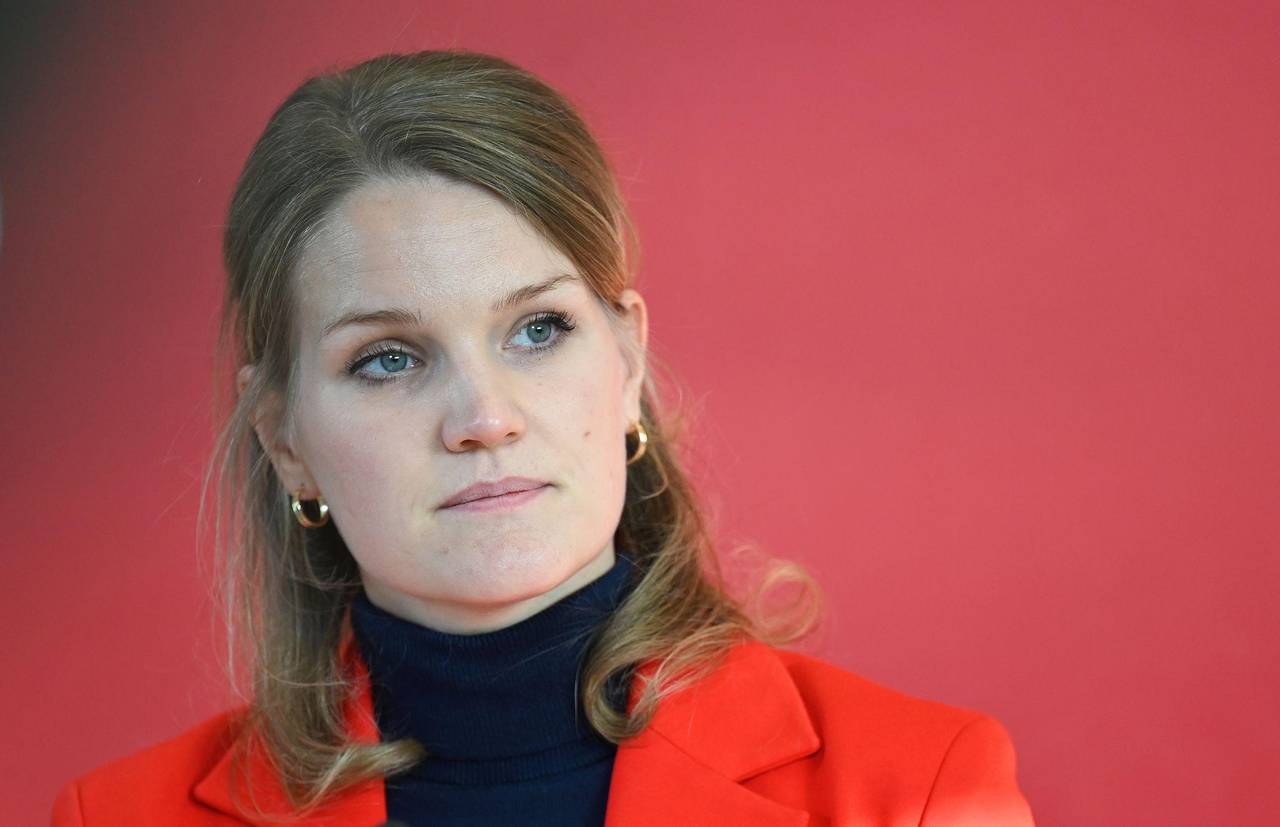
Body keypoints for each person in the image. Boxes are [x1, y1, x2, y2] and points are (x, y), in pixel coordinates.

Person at [50, 50, 1035, 826]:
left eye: (537, 329)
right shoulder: (117, 815)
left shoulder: (921, 788)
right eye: (387, 358)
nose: (485, 418)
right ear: (285, 438)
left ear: (627, 361)